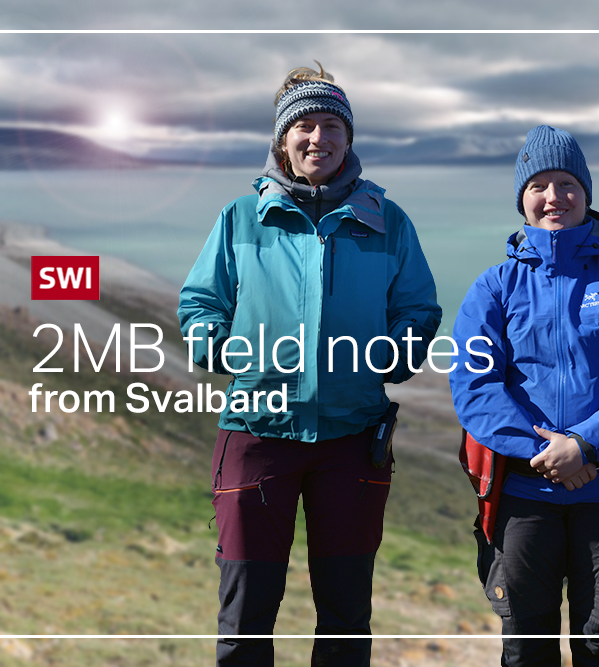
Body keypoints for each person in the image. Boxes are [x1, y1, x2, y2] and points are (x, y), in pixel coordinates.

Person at [178, 63, 441, 667]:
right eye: (304, 124)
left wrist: (396, 351)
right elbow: (200, 303)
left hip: (353, 437)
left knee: (346, 615)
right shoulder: (241, 218)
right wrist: (218, 345)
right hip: (255, 435)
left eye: (331, 126)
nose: (318, 138)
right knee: (245, 615)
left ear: (349, 140)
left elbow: (418, 308)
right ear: (282, 138)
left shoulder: (387, 220)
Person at [449, 125, 599, 667]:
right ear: (523, 200)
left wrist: (584, 446)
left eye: (567, 183)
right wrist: (548, 453)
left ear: (586, 193)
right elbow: (475, 385)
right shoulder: (494, 287)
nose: (555, 197)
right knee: (527, 650)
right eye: (540, 185)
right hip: (525, 496)